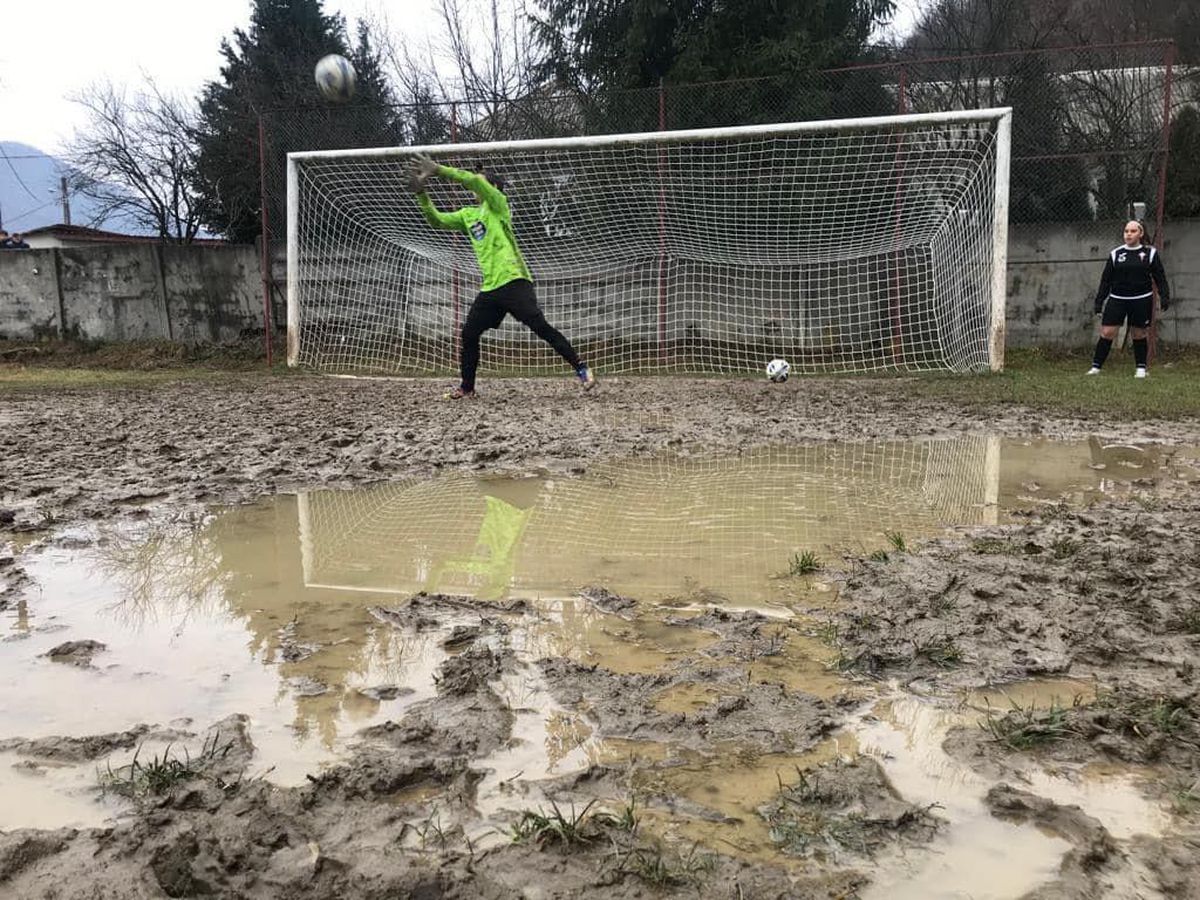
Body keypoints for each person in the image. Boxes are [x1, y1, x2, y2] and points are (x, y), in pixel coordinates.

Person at [409, 154, 595, 399]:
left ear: (493, 187)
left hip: (515, 280)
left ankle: (581, 368)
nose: (476, 186)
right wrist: (422, 193)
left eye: (482, 182)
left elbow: (475, 182)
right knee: (469, 334)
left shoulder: (499, 205)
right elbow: (437, 220)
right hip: (491, 288)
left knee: (540, 327)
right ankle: (467, 388)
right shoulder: (468, 215)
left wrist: (440, 170)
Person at [1088, 220, 1171, 378]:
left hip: (1141, 299)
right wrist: (1099, 301)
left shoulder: (1150, 254)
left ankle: (1141, 368)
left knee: (1139, 333)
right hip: (1117, 299)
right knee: (1107, 332)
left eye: (1133, 231)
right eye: (1126, 231)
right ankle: (1096, 367)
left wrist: (1164, 295)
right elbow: (1105, 280)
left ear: (1141, 234)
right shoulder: (1116, 254)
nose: (1129, 234)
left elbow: (1160, 277)